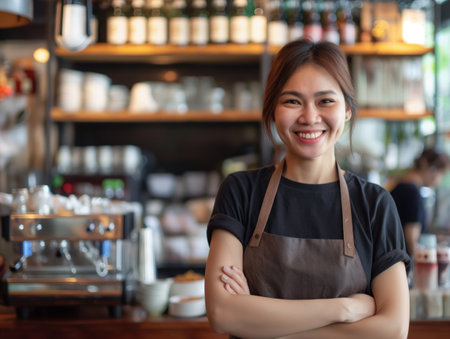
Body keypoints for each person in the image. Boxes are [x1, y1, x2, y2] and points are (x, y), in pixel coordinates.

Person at [205, 39, 411, 339]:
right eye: (292, 101)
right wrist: (344, 309)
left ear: (347, 111)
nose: (310, 117)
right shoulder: (240, 192)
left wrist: (259, 324)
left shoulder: (374, 204)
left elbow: (393, 329)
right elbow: (223, 314)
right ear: (273, 109)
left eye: (325, 101)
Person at [390, 148, 450, 257]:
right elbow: (412, 240)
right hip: (402, 261)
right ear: (431, 169)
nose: (440, 179)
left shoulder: (400, 186)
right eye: (441, 173)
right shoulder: (412, 192)